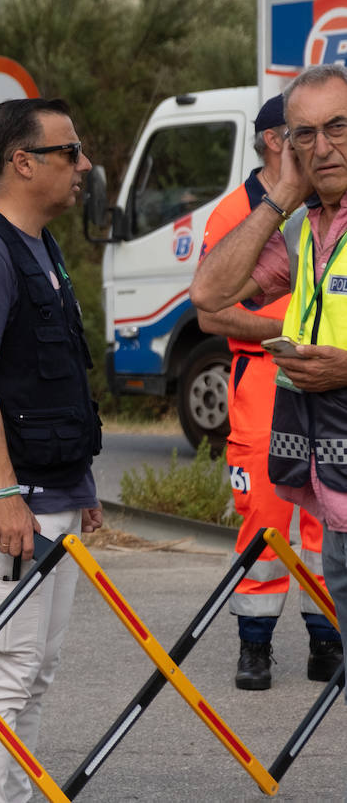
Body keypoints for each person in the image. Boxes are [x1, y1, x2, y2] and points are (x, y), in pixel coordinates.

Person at [0, 97, 103, 803]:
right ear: (22, 162)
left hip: (54, 493)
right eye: (70, 153)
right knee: (4, 674)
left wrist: (83, 485)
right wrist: (3, 493)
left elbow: (53, 371)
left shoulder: (40, 244)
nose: (84, 166)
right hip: (18, 504)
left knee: (34, 673)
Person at [192, 62, 347, 724]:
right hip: (330, 480)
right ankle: (262, 642)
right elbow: (207, 296)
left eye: (338, 126)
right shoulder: (299, 224)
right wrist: (280, 199)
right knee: (276, 531)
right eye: (305, 134)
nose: (324, 146)